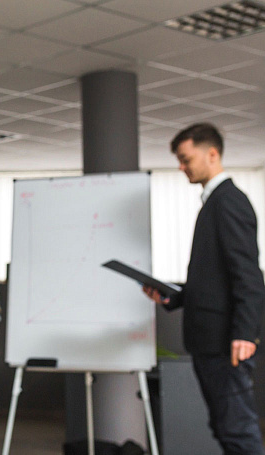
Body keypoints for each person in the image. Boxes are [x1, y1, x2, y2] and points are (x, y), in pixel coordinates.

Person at [143, 123, 265, 455]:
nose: (181, 167)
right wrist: (172, 296)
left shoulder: (229, 202)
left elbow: (249, 276)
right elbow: (215, 280)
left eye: (186, 159)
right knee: (225, 427)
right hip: (211, 342)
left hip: (226, 344)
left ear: (212, 154)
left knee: (237, 429)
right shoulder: (213, 202)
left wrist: (244, 333)